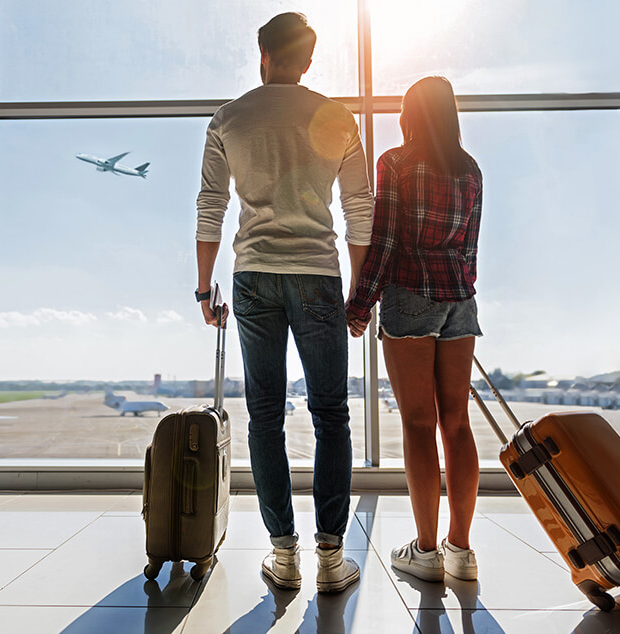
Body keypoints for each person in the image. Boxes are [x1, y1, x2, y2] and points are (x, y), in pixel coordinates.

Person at [195, 12, 373, 593]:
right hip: (318, 274)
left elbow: (210, 206)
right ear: (309, 60)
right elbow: (360, 209)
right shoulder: (339, 118)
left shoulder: (229, 118)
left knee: (265, 417)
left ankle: (284, 554)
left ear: (262, 54)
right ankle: (329, 556)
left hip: (253, 277)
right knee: (331, 415)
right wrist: (358, 292)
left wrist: (204, 287)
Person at [346, 76, 483, 582]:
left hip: (409, 297)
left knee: (419, 425)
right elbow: (470, 248)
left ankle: (425, 553)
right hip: (460, 302)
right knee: (458, 424)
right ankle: (461, 552)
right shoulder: (470, 170)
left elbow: (383, 242)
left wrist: (360, 305)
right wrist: (458, 298)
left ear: (410, 113)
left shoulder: (397, 163)